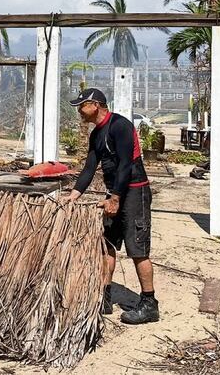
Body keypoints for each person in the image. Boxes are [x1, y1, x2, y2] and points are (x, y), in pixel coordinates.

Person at [65, 87, 159, 325]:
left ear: (95, 104)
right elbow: (89, 168)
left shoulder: (120, 126)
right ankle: (104, 296)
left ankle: (149, 304)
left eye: (82, 106)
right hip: (113, 193)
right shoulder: (96, 134)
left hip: (134, 192)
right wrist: (74, 195)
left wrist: (115, 198)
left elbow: (126, 165)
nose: (79, 111)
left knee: (138, 250)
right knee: (107, 245)